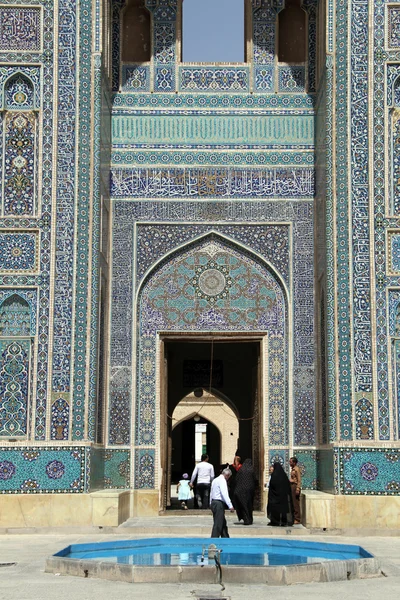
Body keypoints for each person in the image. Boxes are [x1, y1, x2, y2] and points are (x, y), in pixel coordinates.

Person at [210, 467, 235, 537]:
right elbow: (224, 493)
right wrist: (230, 505)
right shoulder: (222, 481)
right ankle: (214, 538)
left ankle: (225, 536)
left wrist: (210, 503)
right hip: (218, 503)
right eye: (228, 477)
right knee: (218, 523)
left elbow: (211, 493)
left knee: (222, 522)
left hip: (214, 502)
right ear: (227, 475)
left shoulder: (215, 480)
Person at [267, 462, 294, 526]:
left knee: (275, 509)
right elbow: (287, 485)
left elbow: (272, 486)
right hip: (283, 496)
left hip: (274, 496)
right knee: (283, 509)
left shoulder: (274, 475)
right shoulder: (284, 476)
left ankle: (275, 521)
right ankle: (284, 522)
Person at [233, 458, 256, 525]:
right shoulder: (252, 470)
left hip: (240, 491)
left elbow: (236, 479)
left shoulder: (241, 470)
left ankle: (246, 519)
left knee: (243, 505)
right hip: (249, 491)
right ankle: (249, 519)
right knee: (249, 505)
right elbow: (255, 479)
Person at [289, 456, 302, 524]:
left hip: (295, 486)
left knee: (296, 503)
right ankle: (294, 517)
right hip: (292, 486)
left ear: (294, 462)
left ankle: (297, 519)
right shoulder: (293, 469)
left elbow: (299, 480)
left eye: (291, 462)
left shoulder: (296, 469)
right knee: (293, 502)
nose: (289, 463)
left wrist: (298, 488)